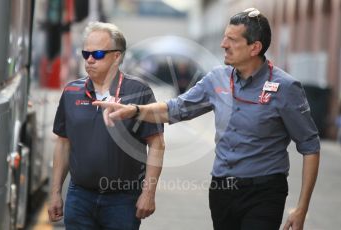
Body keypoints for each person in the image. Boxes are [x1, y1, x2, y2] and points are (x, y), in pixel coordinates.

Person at [94, 8, 320, 230]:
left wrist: (301, 208)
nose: (223, 44)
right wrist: (133, 109)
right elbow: (176, 108)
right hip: (222, 189)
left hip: (264, 191)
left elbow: (310, 147)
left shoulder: (285, 87)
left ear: (255, 47)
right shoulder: (216, 79)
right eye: (224, 37)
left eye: (231, 39)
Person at [48, 21, 165, 230]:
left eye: (98, 54)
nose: (90, 60)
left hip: (122, 201)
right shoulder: (71, 91)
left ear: (117, 56)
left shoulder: (139, 92)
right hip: (79, 196)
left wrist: (148, 194)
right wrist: (55, 192)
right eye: (86, 54)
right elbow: (63, 144)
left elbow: (157, 144)